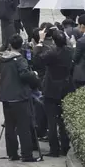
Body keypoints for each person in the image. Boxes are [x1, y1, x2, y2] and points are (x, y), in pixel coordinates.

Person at [0, 34, 40, 162]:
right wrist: (34, 74)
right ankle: (27, 155)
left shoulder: (3, 58)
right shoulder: (20, 59)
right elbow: (25, 75)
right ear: (21, 46)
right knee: (23, 126)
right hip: (19, 97)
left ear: (9, 45)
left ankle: (12, 154)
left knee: (9, 126)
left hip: (5, 97)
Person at [33, 28, 73, 157]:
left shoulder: (52, 53)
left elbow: (37, 60)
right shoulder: (70, 51)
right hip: (66, 88)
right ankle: (65, 147)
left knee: (52, 120)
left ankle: (54, 149)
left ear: (54, 41)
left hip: (51, 89)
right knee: (63, 121)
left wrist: (40, 41)